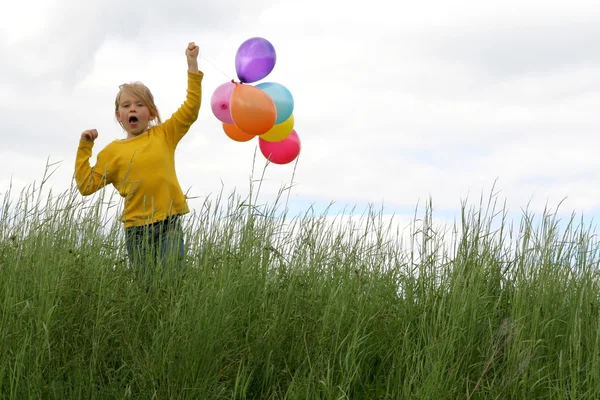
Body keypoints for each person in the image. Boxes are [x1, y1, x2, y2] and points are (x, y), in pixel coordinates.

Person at [74, 42, 203, 278]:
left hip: (168, 224)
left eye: (139, 104)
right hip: (136, 230)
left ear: (151, 113)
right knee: (146, 287)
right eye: (126, 105)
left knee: (172, 280)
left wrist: (192, 64)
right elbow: (85, 186)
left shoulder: (164, 134)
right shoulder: (112, 152)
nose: (133, 109)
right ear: (119, 116)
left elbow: (191, 108)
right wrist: (85, 147)